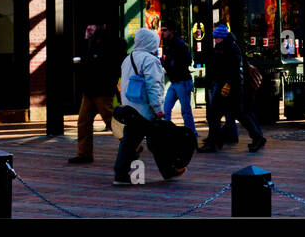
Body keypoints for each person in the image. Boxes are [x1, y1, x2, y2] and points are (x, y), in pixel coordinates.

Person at [112, 27, 184, 185]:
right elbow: (154, 86)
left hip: (130, 108)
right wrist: (158, 108)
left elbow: (123, 84)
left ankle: (120, 173)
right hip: (145, 109)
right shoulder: (150, 60)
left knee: (130, 141)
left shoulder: (128, 58)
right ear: (151, 42)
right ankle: (169, 171)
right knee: (158, 142)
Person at [198, 24, 266, 153]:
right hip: (228, 87)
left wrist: (227, 85)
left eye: (217, 37)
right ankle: (217, 141)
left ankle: (216, 142)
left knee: (226, 114)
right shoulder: (225, 47)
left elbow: (234, 70)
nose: (215, 39)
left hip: (230, 88)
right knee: (230, 114)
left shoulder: (231, 49)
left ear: (222, 37)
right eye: (215, 37)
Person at [68, 24, 123, 165]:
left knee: (111, 121)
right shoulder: (91, 44)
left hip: (101, 91)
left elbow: (108, 67)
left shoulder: (108, 45)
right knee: (83, 122)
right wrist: (86, 39)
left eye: (91, 28)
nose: (89, 30)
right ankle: (84, 153)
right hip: (89, 90)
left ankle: (133, 145)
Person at [160, 24, 197, 135]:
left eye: (165, 30)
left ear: (172, 31)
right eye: (162, 30)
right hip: (175, 81)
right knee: (166, 107)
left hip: (182, 81)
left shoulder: (179, 44)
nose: (163, 32)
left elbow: (188, 60)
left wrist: (172, 65)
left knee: (185, 110)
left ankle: (191, 133)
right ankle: (166, 132)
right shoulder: (169, 44)